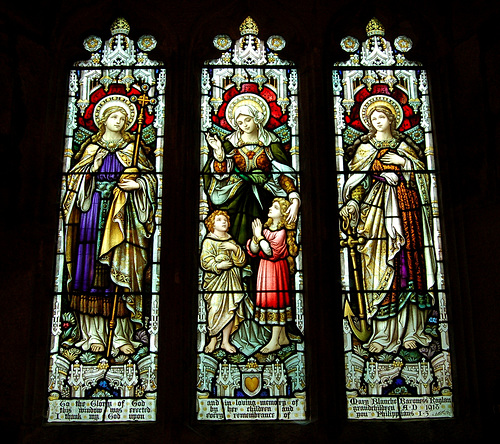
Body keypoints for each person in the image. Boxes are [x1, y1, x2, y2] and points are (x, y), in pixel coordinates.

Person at [340, 95, 436, 354]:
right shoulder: (364, 150)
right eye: (373, 118)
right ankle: (383, 333)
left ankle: (413, 331)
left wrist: (404, 164)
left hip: (407, 212)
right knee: (381, 264)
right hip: (377, 216)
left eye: (381, 117)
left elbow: (424, 182)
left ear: (392, 119)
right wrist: (352, 203)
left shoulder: (405, 147)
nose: (377, 121)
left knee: (409, 264)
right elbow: (355, 184)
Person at [62, 94, 157, 356]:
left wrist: (139, 185)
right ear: (103, 120)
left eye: (124, 118)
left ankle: (122, 335)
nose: (119, 121)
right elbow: (73, 185)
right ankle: (92, 333)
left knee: (122, 268)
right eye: (115, 116)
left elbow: (151, 181)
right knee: (89, 270)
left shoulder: (134, 149)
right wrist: (89, 171)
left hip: (124, 215)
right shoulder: (92, 150)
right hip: (93, 214)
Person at [203, 94, 300, 246]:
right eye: (240, 123)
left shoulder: (271, 143)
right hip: (235, 196)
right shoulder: (230, 143)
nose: (244, 125)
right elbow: (218, 175)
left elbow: (282, 173)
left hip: (266, 194)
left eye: (247, 120)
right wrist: (219, 154)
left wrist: (294, 198)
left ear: (257, 119)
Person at [247, 198, 299, 353]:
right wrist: (257, 237)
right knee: (270, 300)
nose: (270, 208)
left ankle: (274, 341)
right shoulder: (266, 229)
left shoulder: (282, 233)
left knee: (276, 302)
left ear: (283, 214)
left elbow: (271, 252)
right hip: (265, 270)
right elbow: (254, 251)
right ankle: (282, 337)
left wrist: (260, 237)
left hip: (276, 270)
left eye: (275, 207)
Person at [200, 210, 247, 354]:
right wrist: (218, 265)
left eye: (225, 220)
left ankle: (225, 341)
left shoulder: (231, 241)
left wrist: (235, 248)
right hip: (215, 282)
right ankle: (213, 339)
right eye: (219, 219)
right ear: (211, 224)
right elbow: (205, 260)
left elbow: (241, 261)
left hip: (231, 280)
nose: (224, 222)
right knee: (214, 309)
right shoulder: (209, 241)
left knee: (230, 310)